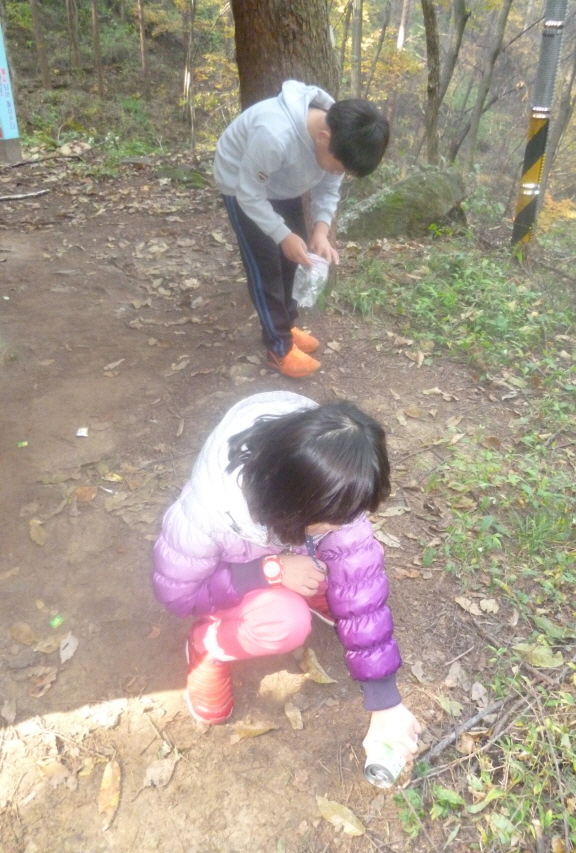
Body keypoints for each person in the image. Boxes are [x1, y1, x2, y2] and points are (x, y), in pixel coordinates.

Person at [152, 391, 420, 765]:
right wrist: (269, 571)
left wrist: (384, 700)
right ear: (294, 504)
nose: (346, 522)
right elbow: (179, 598)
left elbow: (363, 587)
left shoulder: (331, 487)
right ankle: (208, 647)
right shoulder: (204, 518)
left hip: (286, 545)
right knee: (285, 621)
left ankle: (314, 586)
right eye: (332, 518)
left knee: (352, 558)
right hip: (236, 577)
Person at [213, 80, 390, 378]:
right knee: (265, 266)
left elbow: (329, 187)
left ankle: (288, 326)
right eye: (338, 167)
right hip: (241, 186)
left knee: (292, 260)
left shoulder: (342, 136)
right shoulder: (275, 135)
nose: (338, 173)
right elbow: (249, 194)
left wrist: (320, 230)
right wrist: (281, 234)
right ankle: (278, 346)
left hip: (282, 185)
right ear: (323, 138)